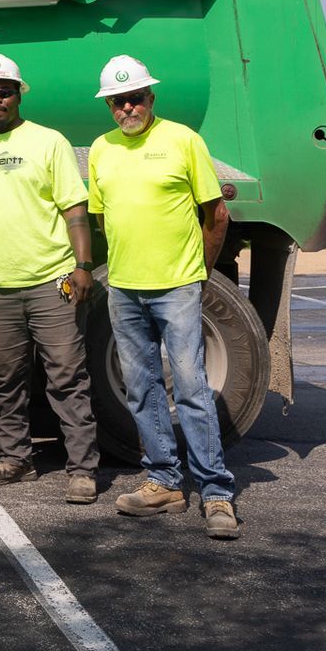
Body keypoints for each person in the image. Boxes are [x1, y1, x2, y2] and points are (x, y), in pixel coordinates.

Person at [86, 55, 241, 540]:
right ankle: (164, 482)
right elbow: (101, 216)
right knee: (142, 388)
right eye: (119, 100)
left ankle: (216, 492)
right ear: (109, 105)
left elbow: (216, 216)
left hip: (176, 286)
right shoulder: (100, 149)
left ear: (152, 98)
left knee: (192, 388)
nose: (128, 106)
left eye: (136, 97)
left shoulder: (183, 140)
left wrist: (199, 274)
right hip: (125, 288)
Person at [0, 54, 101, 504]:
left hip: (51, 282)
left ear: (20, 94)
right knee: (6, 377)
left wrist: (84, 265)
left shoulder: (49, 142)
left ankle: (82, 470)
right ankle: (15, 460)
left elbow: (75, 209)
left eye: (5, 91)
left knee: (67, 376)